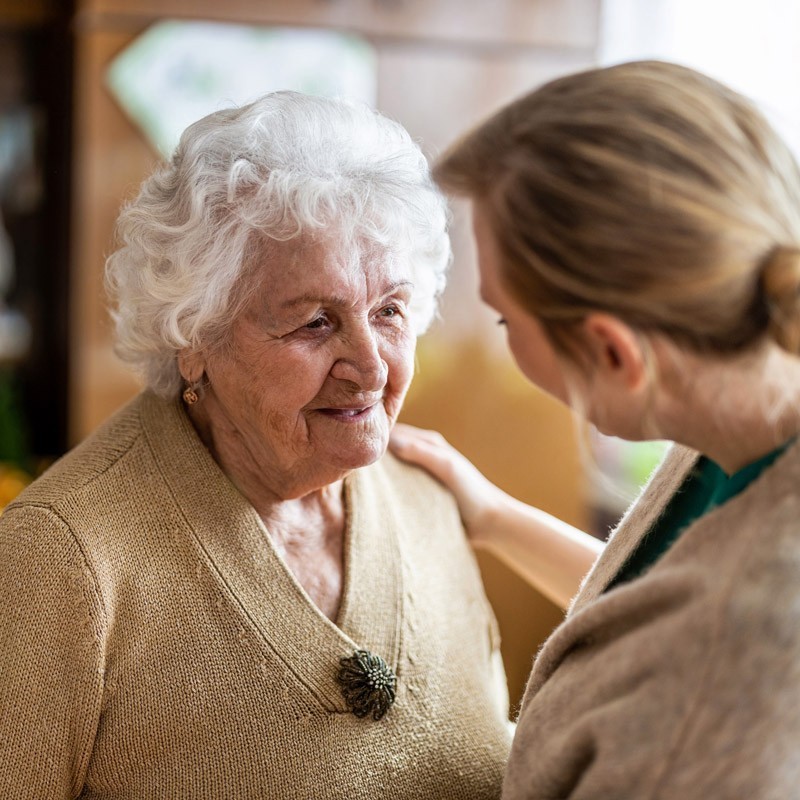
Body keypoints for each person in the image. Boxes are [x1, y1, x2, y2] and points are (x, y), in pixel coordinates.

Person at [0, 92, 511, 798]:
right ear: (193, 337)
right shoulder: (62, 558)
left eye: (389, 310)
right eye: (314, 323)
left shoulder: (429, 500)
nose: (370, 366)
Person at [390, 60, 800, 798]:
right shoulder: (739, 407)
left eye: (505, 318)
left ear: (613, 351)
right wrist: (493, 518)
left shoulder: (728, 680)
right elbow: (657, 610)